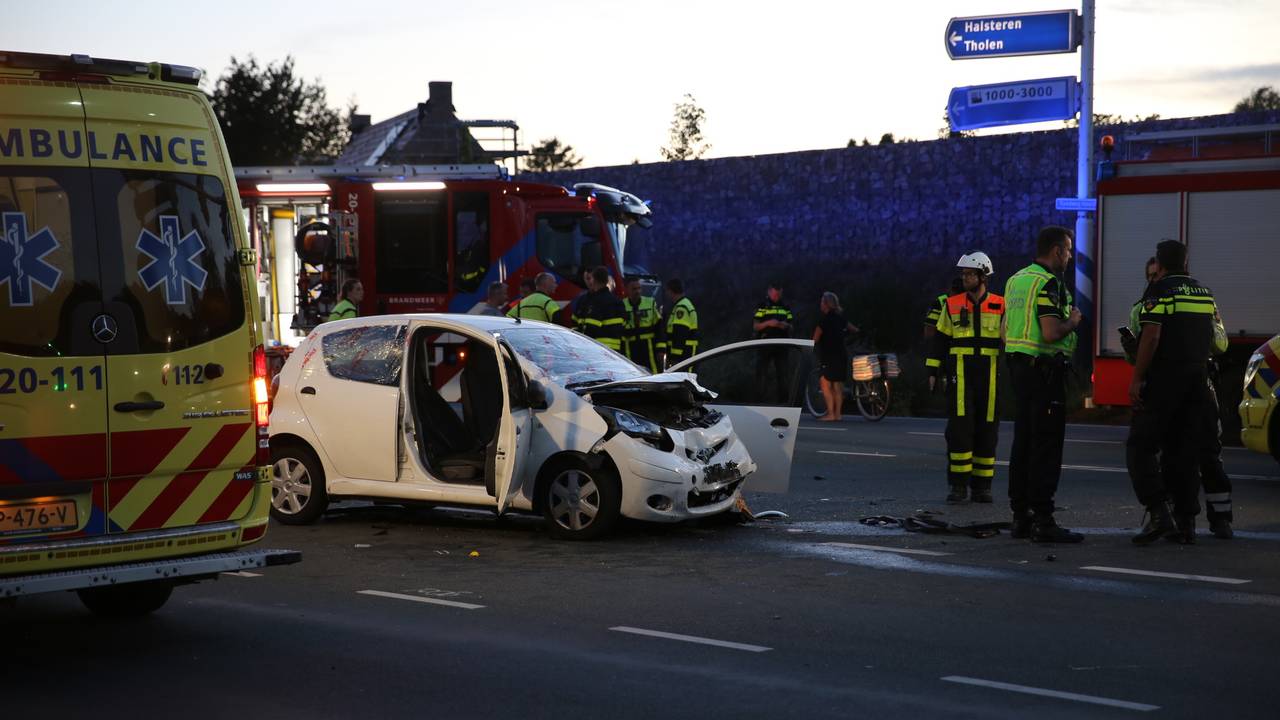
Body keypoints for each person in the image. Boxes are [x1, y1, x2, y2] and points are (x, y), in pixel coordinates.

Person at [1120, 256, 1234, 540]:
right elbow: (1137, 353)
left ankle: (1214, 519)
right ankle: (1185, 522)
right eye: (1150, 277)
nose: (1154, 281)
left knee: (1203, 452)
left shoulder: (1180, 300)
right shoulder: (1142, 308)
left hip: (1186, 384)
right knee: (1179, 452)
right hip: (1183, 385)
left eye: (1156, 274)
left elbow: (1219, 343)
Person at [1003, 226, 1084, 543]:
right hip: (1044, 373)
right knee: (1046, 447)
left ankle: (1020, 516)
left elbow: (1005, 332)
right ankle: (1044, 519)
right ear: (1055, 250)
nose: (1069, 255)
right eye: (1067, 249)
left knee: (1022, 443)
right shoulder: (1049, 283)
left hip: (1019, 369)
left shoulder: (1016, 279)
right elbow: (1051, 332)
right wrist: (1073, 322)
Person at [926, 253, 1004, 504]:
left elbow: (1010, 342)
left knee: (987, 431)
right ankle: (958, 486)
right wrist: (932, 371)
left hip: (990, 375)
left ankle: (982, 487)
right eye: (964, 274)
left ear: (983, 276)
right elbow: (939, 340)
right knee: (959, 429)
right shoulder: (952, 304)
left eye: (970, 273)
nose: (965, 277)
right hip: (960, 373)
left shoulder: (1001, 305)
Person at [811, 291, 858, 422]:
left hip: (829, 356)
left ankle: (830, 413)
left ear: (826, 305)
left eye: (822, 302)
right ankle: (838, 414)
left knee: (825, 383)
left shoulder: (823, 321)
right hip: (842, 354)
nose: (820, 304)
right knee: (838, 386)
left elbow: (814, 339)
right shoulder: (841, 319)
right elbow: (855, 330)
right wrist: (845, 336)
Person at [753, 282, 795, 402]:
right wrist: (769, 323)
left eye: (779, 294)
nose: (777, 297)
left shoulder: (785, 306)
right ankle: (759, 404)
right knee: (762, 375)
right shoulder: (762, 306)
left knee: (783, 376)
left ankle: (783, 405)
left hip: (782, 344)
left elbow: (792, 327)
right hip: (765, 343)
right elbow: (755, 326)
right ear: (769, 292)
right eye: (775, 294)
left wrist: (785, 325)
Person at [573, 266, 626, 352]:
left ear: (594, 280)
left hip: (598, 349)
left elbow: (591, 328)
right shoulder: (618, 301)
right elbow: (624, 325)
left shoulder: (596, 301)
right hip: (616, 351)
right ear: (607, 280)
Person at [622, 277, 662, 372]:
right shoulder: (622, 305)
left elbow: (659, 326)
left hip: (648, 347)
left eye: (639, 288)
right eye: (634, 289)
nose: (638, 291)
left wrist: (661, 349)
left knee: (652, 373)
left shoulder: (650, 303)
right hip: (629, 347)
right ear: (627, 290)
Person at [662, 278, 700, 365]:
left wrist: (675, 358)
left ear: (670, 291)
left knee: (685, 377)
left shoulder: (681, 307)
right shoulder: (682, 305)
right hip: (685, 354)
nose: (667, 294)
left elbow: (680, 333)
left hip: (684, 355)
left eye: (667, 291)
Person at [924, 277, 965, 341]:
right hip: (942, 342)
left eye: (960, 291)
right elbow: (929, 330)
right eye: (955, 289)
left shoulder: (967, 302)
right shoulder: (941, 302)